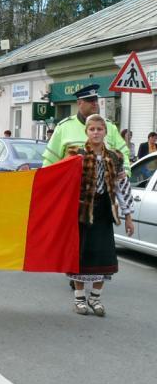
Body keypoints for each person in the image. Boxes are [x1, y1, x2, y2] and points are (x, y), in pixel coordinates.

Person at [66, 114, 134, 316]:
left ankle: (95, 298)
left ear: (105, 132)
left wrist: (128, 216)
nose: (96, 132)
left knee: (103, 256)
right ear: (86, 132)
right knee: (82, 256)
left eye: (99, 129)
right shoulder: (76, 155)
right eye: (92, 129)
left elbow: (122, 187)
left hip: (104, 211)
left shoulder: (114, 157)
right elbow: (62, 183)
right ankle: (79, 298)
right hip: (82, 212)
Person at [43, 84, 130, 173]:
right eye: (90, 100)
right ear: (79, 103)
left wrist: (125, 174)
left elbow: (123, 154)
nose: (95, 103)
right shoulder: (63, 127)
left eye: (96, 100)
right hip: (74, 184)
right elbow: (50, 160)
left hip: (103, 184)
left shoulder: (109, 126)